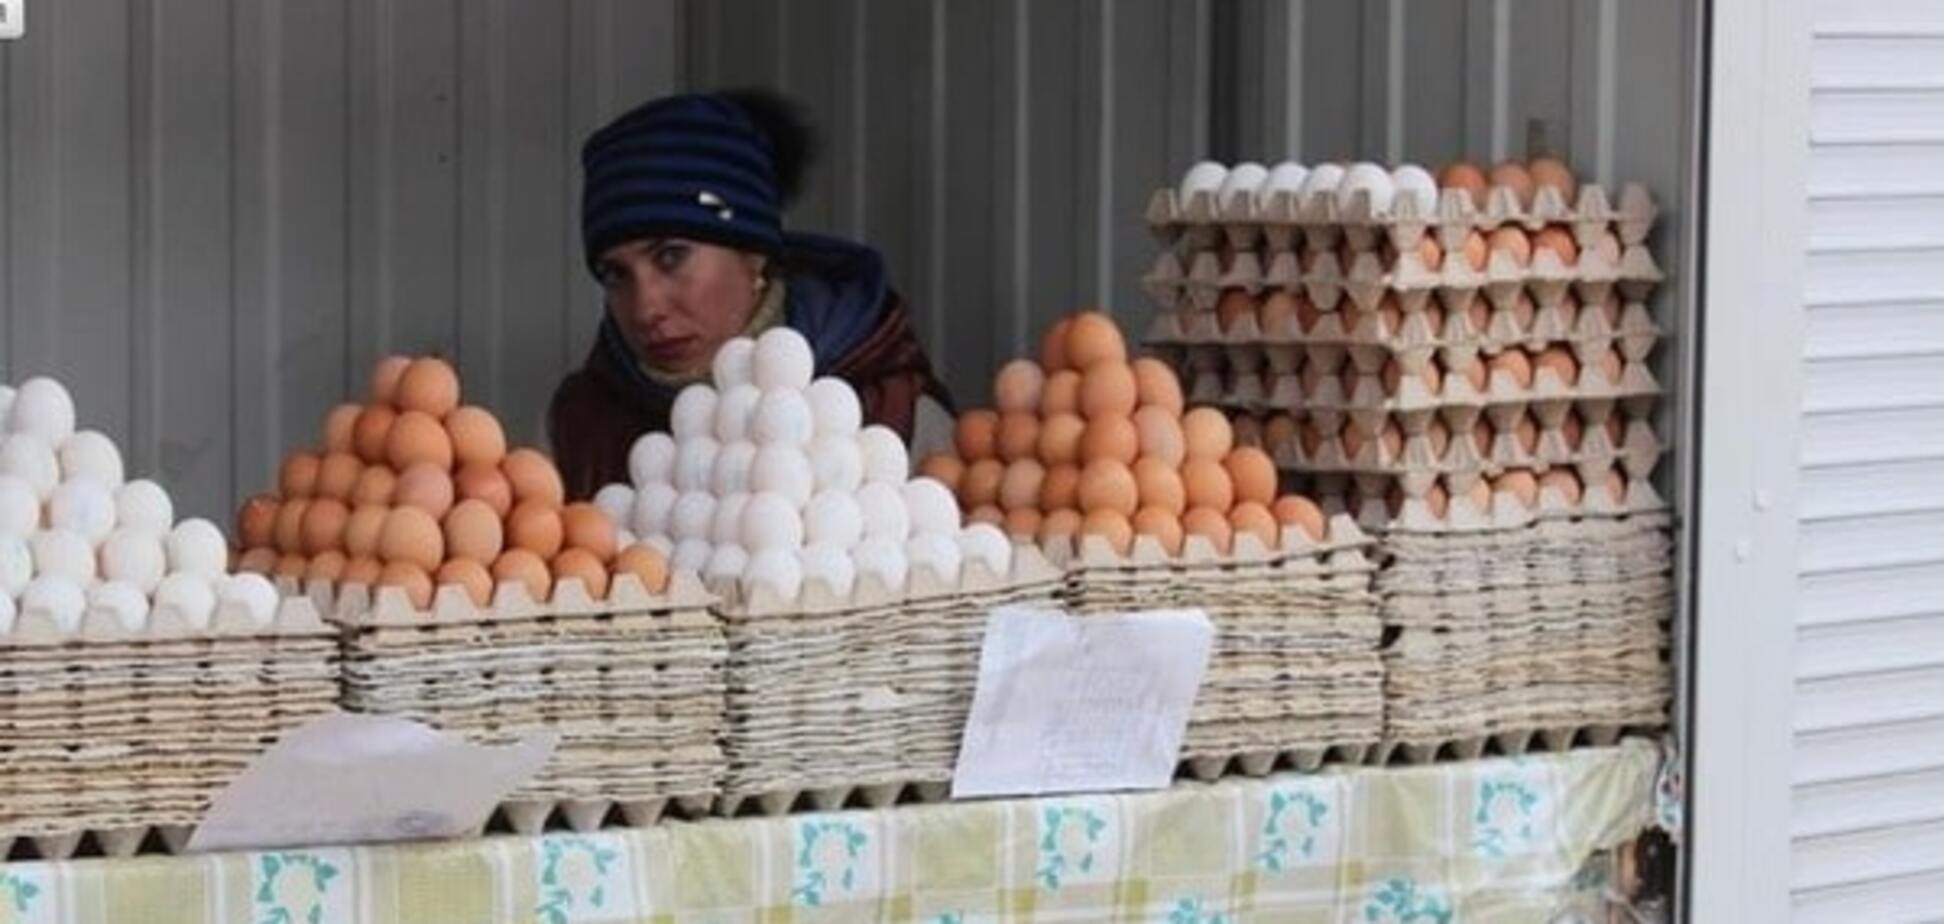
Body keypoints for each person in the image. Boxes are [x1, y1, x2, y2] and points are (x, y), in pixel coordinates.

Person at [549, 90, 954, 499]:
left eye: (671, 257)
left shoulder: (894, 415)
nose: (646, 308)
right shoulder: (578, 430)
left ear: (754, 255)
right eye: (616, 275)